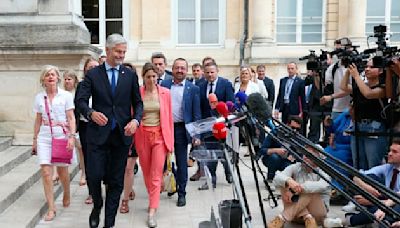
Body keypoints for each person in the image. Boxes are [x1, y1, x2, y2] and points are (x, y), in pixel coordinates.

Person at [75, 34, 143, 228]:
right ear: (107, 50)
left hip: (121, 137)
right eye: (118, 51)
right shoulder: (93, 75)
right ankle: (97, 205)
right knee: (94, 176)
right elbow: (80, 101)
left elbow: (138, 103)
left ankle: (109, 222)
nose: (121, 56)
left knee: (115, 182)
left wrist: (136, 121)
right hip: (97, 136)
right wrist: (90, 113)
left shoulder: (129, 75)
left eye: (123, 52)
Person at [32, 65, 76, 221]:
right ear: (43, 79)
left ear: (58, 78)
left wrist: (71, 136)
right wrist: (35, 140)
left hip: (61, 135)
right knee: (45, 173)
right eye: (47, 75)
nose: (50, 77)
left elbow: (71, 118)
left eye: (53, 74)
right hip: (44, 136)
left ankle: (66, 191)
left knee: (63, 172)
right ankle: (51, 208)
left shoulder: (66, 96)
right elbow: (37, 120)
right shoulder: (39, 97)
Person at [324, 139, 400, 227]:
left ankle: (348, 221)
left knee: (387, 209)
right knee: (368, 179)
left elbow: (397, 197)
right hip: (386, 203)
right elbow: (357, 176)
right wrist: (366, 187)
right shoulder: (388, 167)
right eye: (390, 150)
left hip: (395, 206)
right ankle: (377, 219)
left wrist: (374, 202)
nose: (389, 154)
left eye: (394, 152)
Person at [133, 63, 174, 227]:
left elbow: (169, 118)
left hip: (159, 137)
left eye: (154, 76)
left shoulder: (165, 93)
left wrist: (170, 143)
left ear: (158, 77)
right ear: (143, 77)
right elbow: (133, 114)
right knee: (147, 172)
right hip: (142, 136)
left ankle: (152, 210)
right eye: (148, 76)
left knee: (156, 173)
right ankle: (153, 198)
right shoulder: (137, 94)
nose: (151, 79)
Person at [161, 57, 201, 207]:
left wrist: (196, 135)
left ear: (186, 70)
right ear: (172, 69)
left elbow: (196, 113)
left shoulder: (193, 89)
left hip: (181, 130)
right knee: (163, 162)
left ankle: (182, 193)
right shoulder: (164, 85)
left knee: (181, 162)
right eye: (177, 67)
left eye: (182, 68)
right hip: (165, 128)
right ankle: (173, 182)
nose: (179, 70)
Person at [267, 145, 331, 228]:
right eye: (304, 154)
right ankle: (307, 217)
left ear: (319, 157)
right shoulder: (296, 167)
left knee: (311, 191)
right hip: (296, 216)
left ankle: (282, 218)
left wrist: (295, 189)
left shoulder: (325, 171)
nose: (305, 157)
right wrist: (289, 181)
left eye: (309, 155)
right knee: (284, 183)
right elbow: (277, 178)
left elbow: (322, 185)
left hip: (317, 215)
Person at [340, 60, 388, 170]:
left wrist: (356, 76)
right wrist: (348, 71)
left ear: (380, 70)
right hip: (358, 126)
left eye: (371, 67)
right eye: (366, 66)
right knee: (358, 163)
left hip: (375, 129)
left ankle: (373, 187)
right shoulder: (362, 85)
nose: (367, 69)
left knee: (373, 164)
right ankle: (359, 186)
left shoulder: (383, 87)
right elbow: (343, 87)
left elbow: (368, 94)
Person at [197, 62, 235, 190]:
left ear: (217, 71)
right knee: (210, 154)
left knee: (223, 153)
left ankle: (229, 173)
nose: (210, 75)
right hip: (207, 127)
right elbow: (200, 106)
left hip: (222, 126)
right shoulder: (200, 85)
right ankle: (211, 180)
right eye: (207, 72)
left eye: (212, 72)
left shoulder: (226, 84)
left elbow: (231, 104)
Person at [75, 57, 99, 205]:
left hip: (103, 127)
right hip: (86, 127)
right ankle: (92, 193)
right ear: (85, 70)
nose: (92, 70)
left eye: (95, 67)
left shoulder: (106, 83)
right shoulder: (82, 85)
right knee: (89, 161)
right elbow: (78, 104)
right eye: (89, 68)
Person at [119, 62, 140, 214]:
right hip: (115, 133)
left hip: (133, 133)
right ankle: (129, 188)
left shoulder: (138, 92)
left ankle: (125, 200)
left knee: (128, 168)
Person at [259, 116, 302, 181]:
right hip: (271, 159)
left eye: (297, 129)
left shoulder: (298, 137)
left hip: (286, 161)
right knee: (274, 158)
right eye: (293, 128)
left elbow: (301, 154)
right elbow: (262, 150)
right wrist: (276, 150)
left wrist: (294, 156)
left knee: (293, 166)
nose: (295, 131)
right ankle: (270, 178)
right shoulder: (275, 132)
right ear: (287, 125)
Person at [63, 70, 87, 186]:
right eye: (65, 79)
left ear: (74, 80)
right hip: (63, 125)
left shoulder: (77, 92)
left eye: (69, 79)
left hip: (76, 125)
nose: (67, 81)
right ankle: (59, 173)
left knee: (80, 150)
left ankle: (83, 173)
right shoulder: (60, 93)